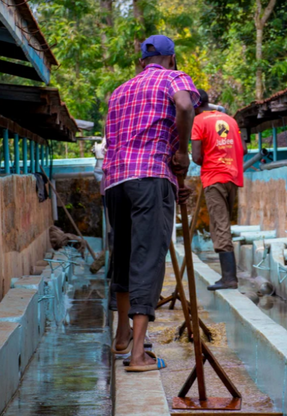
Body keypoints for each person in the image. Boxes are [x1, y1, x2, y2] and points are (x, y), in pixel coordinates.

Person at [103, 35, 199, 372]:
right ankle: (139, 355)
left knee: (125, 254)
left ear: (143, 61)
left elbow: (118, 142)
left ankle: (122, 336)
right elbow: (185, 106)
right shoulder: (174, 78)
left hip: (115, 181)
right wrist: (184, 152)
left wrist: (172, 185)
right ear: (170, 58)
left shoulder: (119, 91)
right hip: (150, 177)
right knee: (147, 258)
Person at [191, 89, 247, 291]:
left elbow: (197, 157)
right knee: (224, 225)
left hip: (214, 178)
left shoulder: (199, 122)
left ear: (194, 105)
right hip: (232, 176)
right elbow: (244, 149)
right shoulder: (229, 119)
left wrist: (211, 155)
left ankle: (229, 278)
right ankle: (228, 275)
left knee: (219, 226)